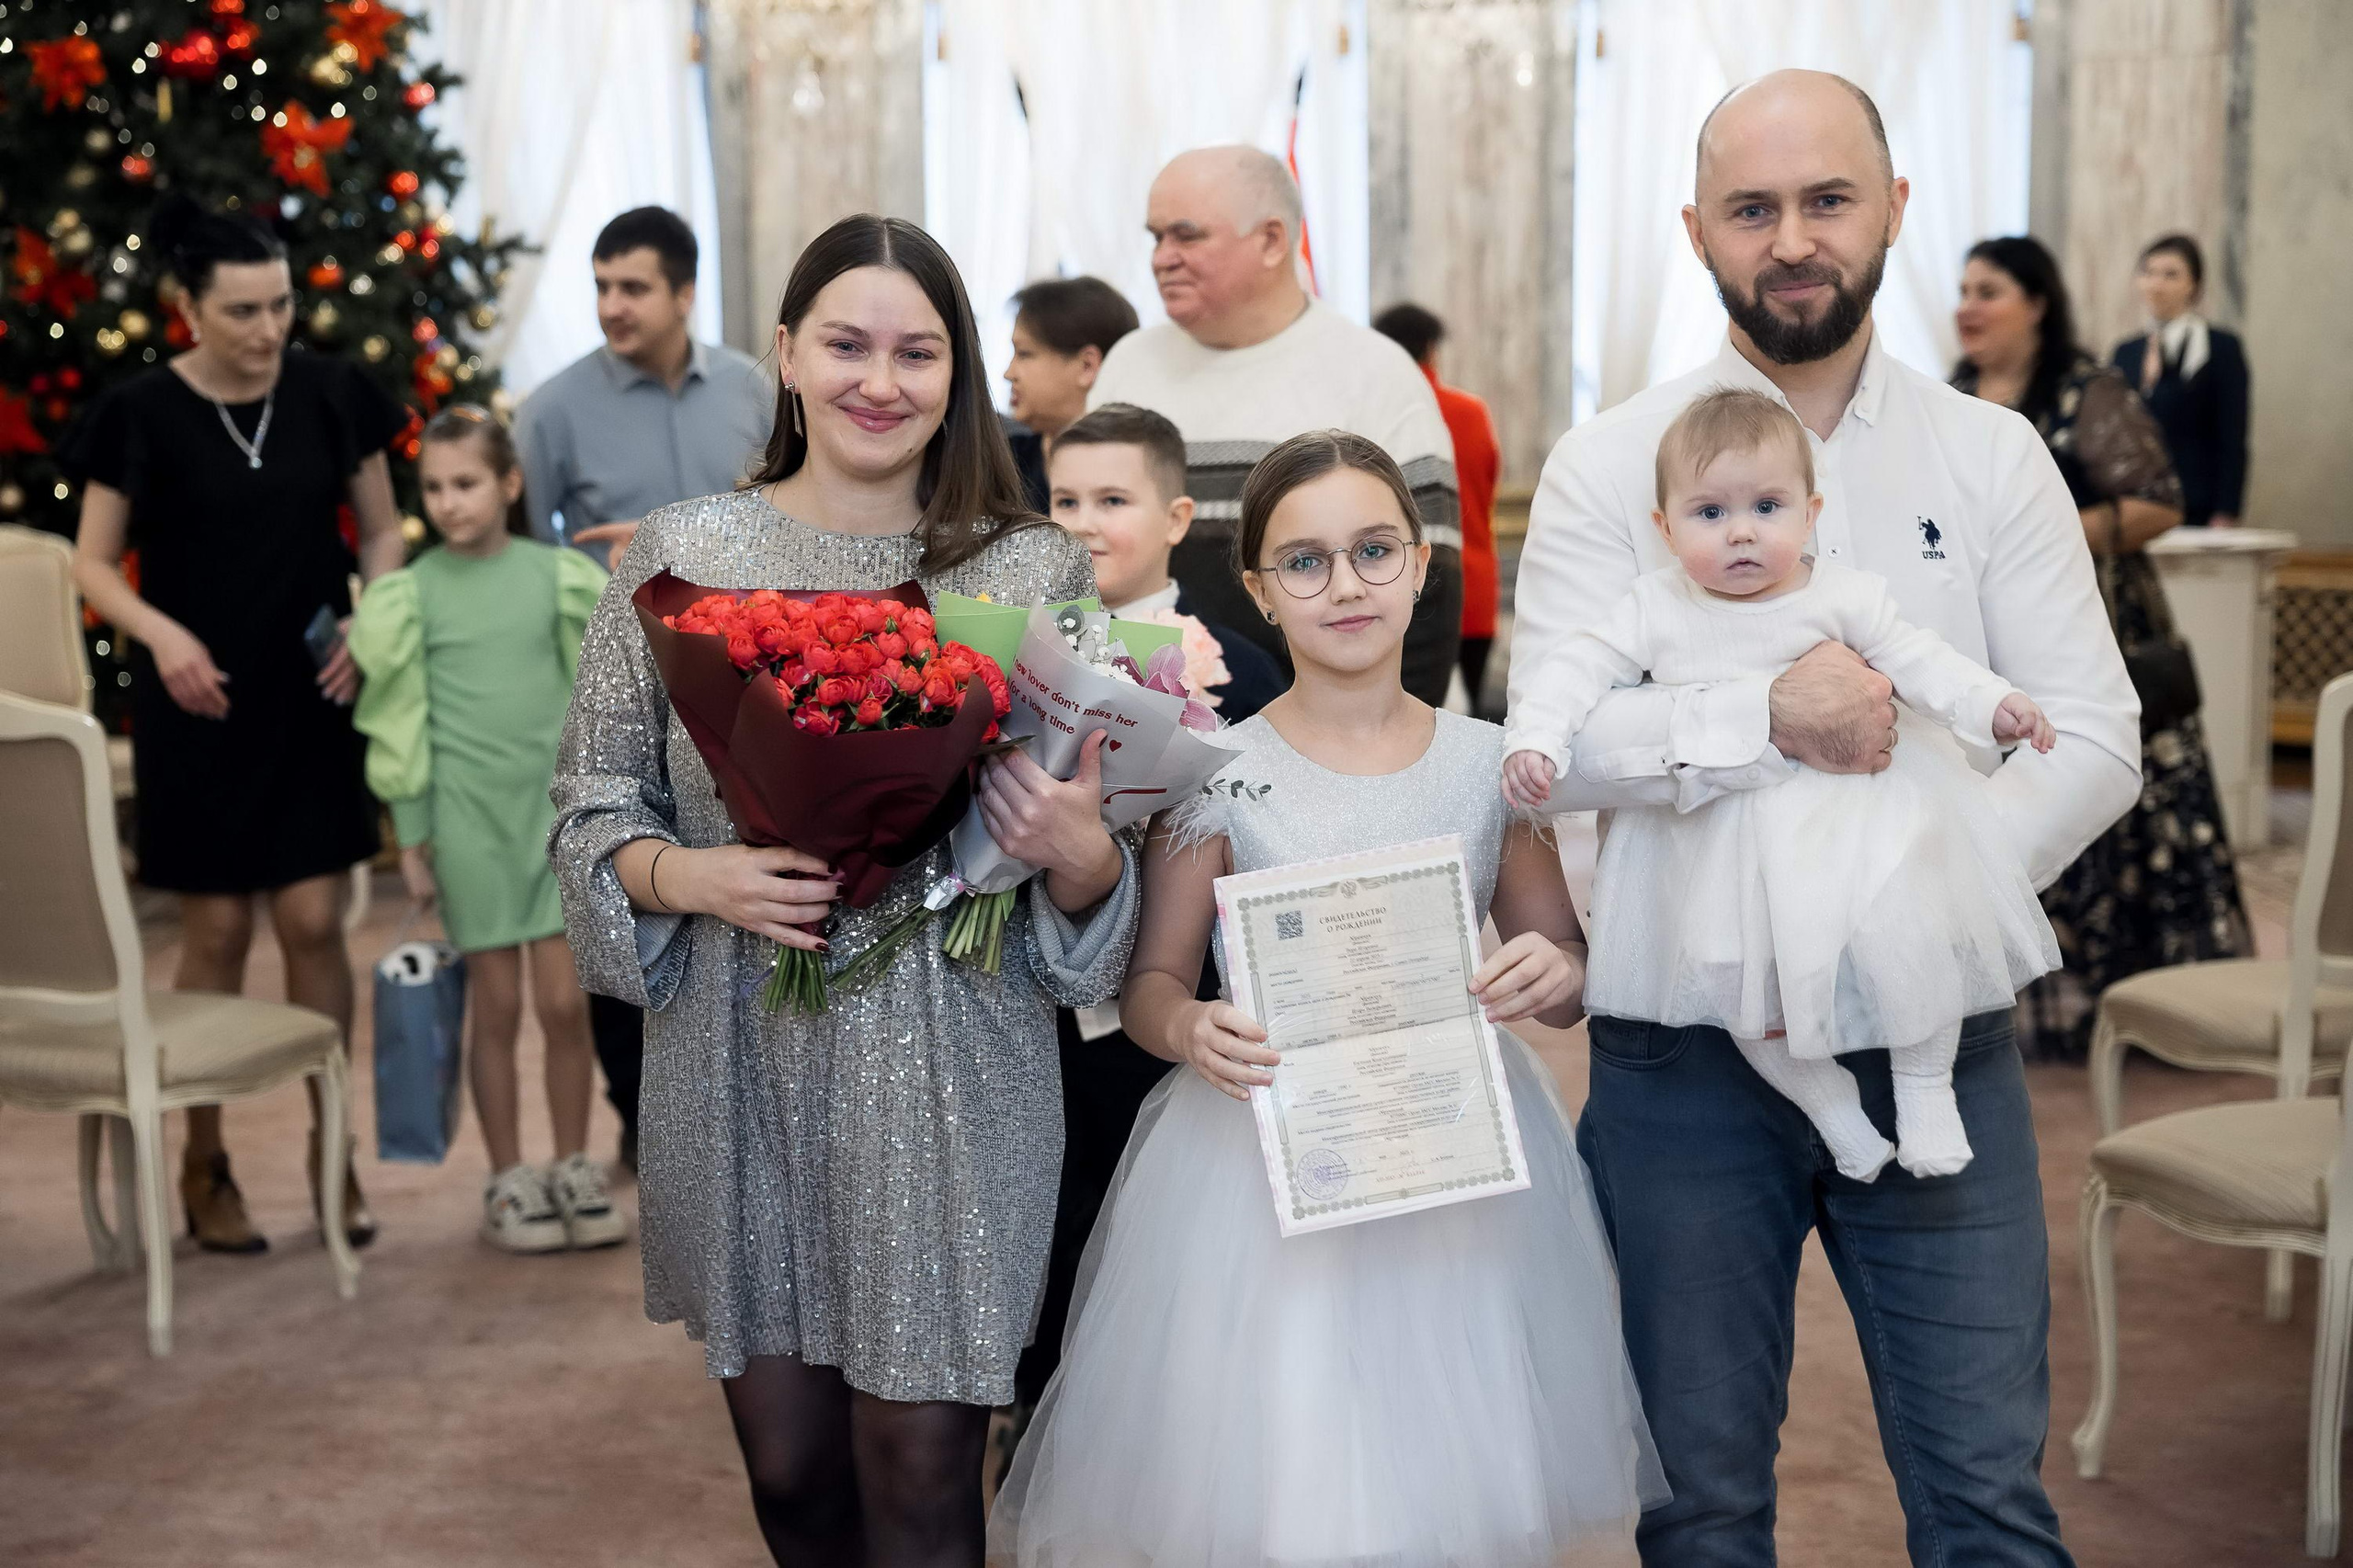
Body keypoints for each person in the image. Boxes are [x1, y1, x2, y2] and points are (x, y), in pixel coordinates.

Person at [1508, 72, 2139, 1565]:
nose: (1793, 239)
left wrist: (1913, 894)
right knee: (1698, 1504)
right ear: (1698, 234)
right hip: (1682, 1051)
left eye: (1828, 200)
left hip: (1940, 1035)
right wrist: (1755, 723)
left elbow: (2097, 732)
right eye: (1753, 208)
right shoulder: (1611, 465)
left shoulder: (1991, 459)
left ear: (1897, 210)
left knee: (1987, 1496)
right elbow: (1559, 747)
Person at [548, 213, 1142, 1566]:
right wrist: (696, 873)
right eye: (849, 343)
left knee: (927, 1474)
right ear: (788, 355)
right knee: (796, 1478)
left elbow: (1105, 875)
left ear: (959, 371)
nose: (883, 379)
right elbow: (589, 805)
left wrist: (1075, 844)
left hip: (958, 1060)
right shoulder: (681, 554)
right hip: (739, 1058)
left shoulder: (1029, 567)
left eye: (918, 351)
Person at [993, 429, 1664, 1566]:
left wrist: (1561, 971)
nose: (1343, 584)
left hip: (1456, 1159)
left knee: (1448, 1465)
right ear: (1256, 587)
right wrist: (1192, 1025)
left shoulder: (1493, 764)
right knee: (1292, 1469)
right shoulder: (1219, 769)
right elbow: (1152, 982)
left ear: (1418, 564)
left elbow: (1564, 968)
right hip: (1261, 1163)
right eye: (1302, 562)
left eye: (1370, 551)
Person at [1504, 386, 2062, 1181]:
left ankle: (1923, 1085)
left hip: (1861, 821)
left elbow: (1923, 661)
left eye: (1768, 506)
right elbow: (1573, 672)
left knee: (1917, 948)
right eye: (1708, 513)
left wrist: (1994, 706)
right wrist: (1535, 737)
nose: (1741, 532)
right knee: (1740, 989)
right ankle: (1833, 1110)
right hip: (1723, 845)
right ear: (1664, 528)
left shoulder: (1844, 594)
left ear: (1811, 513)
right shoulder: (1654, 606)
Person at [63, 195, 402, 1256]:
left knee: (311, 921)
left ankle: (329, 1148)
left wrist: (367, 617)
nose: (268, 330)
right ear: (189, 310)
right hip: (196, 698)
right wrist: (160, 637)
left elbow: (385, 531)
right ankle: (202, 1161)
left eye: (282, 304)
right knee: (216, 930)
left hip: (312, 690)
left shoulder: (333, 392)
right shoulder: (139, 412)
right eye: (243, 310)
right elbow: (88, 561)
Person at [1006, 401, 1279, 1420]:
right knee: (1050, 1206)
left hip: (1175, 994)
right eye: (1063, 499)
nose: (1082, 522)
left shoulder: (1240, 668)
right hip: (1040, 988)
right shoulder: (1013, 653)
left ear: (1175, 516)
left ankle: (1162, 1412)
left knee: (1153, 1212)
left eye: (1110, 500)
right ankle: (1036, 1408)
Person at [517, 205, 773, 1172]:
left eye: (631, 287)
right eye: (600, 287)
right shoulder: (549, 408)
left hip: (748, 684)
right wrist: (618, 577)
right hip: (617, 689)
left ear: (682, 293)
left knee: (733, 875)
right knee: (624, 868)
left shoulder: (751, 389)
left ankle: (738, 1098)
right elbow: (526, 551)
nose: (611, 306)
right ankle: (638, 1113)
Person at [1955, 234, 2250, 1059]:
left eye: (1990, 290)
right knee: (2010, 802)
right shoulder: (1949, 397)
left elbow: (2158, 499)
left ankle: (2133, 1012)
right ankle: (2020, 1000)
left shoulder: (2089, 390)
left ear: (2038, 302)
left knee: (2101, 800)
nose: (1968, 306)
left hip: (2098, 621)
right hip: (1983, 640)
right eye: (1964, 290)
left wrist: (2040, 535)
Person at [348, 406, 624, 1253]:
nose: (449, 503)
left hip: (550, 820)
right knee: (496, 1010)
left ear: (508, 484)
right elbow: (401, 720)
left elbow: (592, 701)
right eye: (433, 488)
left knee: (564, 1006)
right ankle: (508, 1177)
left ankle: (574, 1164)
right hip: (467, 826)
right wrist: (416, 836)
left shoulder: (555, 578)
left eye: (465, 484)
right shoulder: (411, 594)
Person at [1088, 145, 1464, 705]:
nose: (1162, 257)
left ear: (1270, 240)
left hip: (1328, 737)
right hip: (1143, 726)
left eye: (1186, 235)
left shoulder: (1374, 373)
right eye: (1156, 237)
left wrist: (1379, 750)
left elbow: (1428, 585)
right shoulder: (1129, 365)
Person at [1374, 302, 1502, 710]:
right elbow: (1488, 481)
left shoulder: (1378, 416)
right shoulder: (1470, 412)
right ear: (1431, 350)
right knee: (1477, 726)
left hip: (1402, 585)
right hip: (1474, 581)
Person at [2110, 233, 2250, 529]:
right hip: (2136, 504)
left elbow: (2232, 436)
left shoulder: (2220, 348)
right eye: (2148, 272)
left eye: (2170, 275)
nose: (2156, 284)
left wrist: (2226, 510)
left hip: (2197, 504)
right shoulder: (2127, 352)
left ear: (2194, 285)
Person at [1000, 276, 1139, 513]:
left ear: (1087, 366)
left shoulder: (1137, 468)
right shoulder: (1001, 465)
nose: (1008, 374)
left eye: (1024, 354)